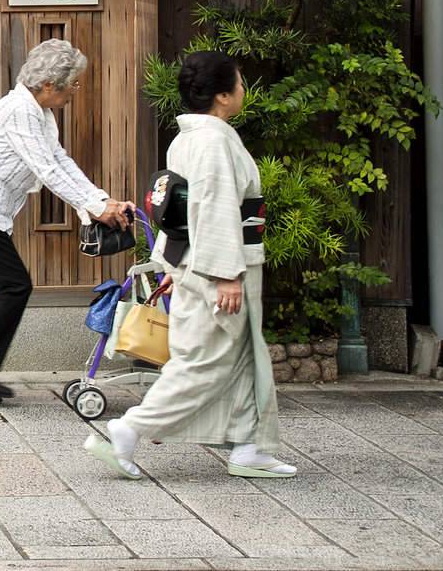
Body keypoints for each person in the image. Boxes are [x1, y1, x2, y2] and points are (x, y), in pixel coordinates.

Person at [84, 50, 296, 480]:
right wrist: (226, 275)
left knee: (237, 356)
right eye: (238, 82)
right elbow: (214, 208)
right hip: (215, 264)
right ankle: (128, 430)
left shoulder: (188, 138)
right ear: (222, 95)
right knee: (203, 361)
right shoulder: (215, 141)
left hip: (193, 257)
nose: (242, 89)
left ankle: (248, 445)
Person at [0, 38, 131, 405]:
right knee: (14, 285)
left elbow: (60, 162)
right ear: (47, 85)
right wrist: (94, 207)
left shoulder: (39, 114)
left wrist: (101, 201)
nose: (76, 90)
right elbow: (46, 170)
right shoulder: (19, 112)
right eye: (72, 84)